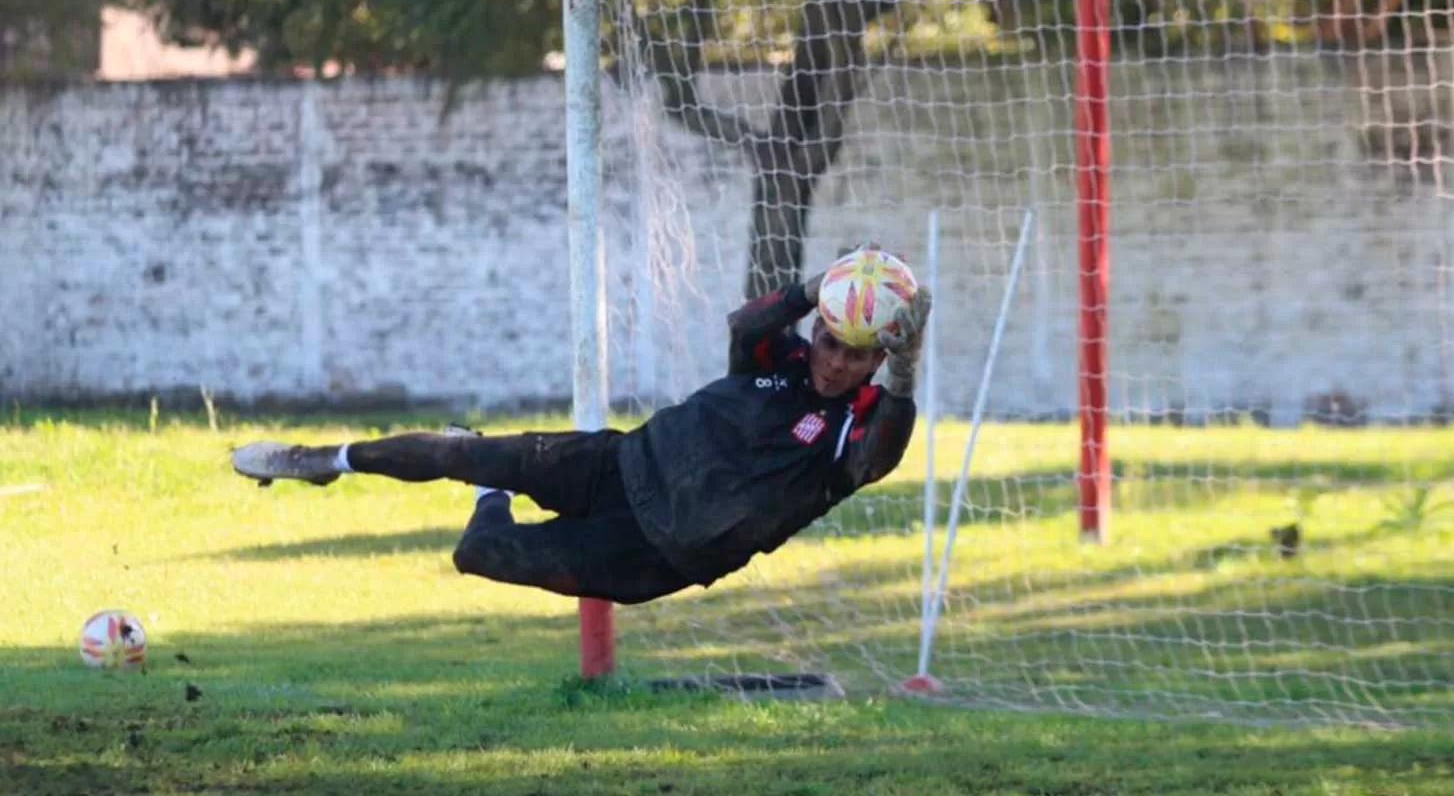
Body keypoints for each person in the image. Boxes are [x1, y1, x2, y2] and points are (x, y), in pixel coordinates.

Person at [230, 255, 932, 605]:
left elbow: (884, 454)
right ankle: (321, 459)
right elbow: (746, 323)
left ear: (877, 359)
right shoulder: (777, 356)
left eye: (857, 353)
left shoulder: (858, 426)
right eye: (830, 341)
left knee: (480, 553)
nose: (836, 362)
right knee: (459, 451)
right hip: (621, 462)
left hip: (653, 554)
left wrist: (905, 368)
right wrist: (821, 283)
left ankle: (487, 497)